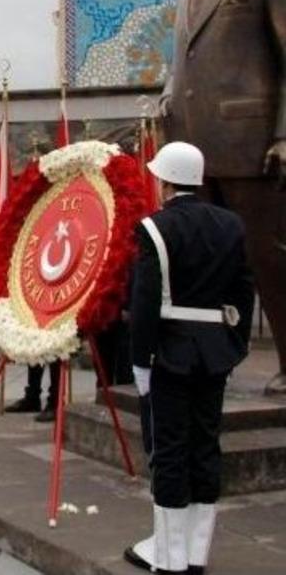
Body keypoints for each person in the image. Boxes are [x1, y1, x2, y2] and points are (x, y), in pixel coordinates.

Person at [158, 0, 286, 395]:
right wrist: (169, 96)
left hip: (253, 146)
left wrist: (284, 133)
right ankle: (208, 363)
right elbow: (182, 64)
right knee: (202, 267)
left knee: (270, 259)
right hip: (195, 151)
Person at [124, 142, 254, 574]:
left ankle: (169, 557)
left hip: (170, 352)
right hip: (215, 350)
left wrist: (140, 360)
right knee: (205, 446)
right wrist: (234, 344)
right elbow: (242, 290)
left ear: (163, 181)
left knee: (169, 450)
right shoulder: (230, 224)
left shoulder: (155, 227)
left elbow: (144, 302)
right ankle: (196, 555)